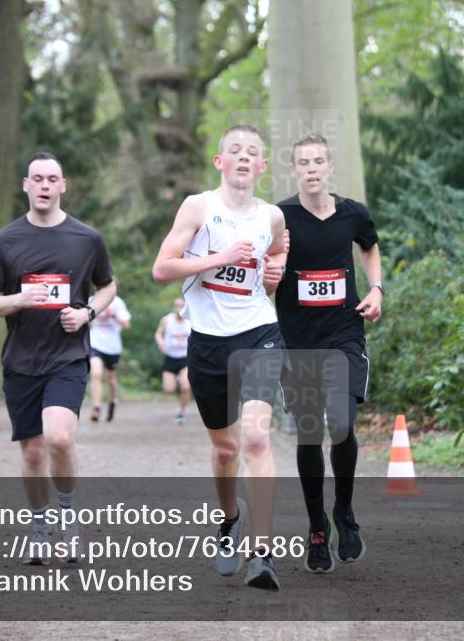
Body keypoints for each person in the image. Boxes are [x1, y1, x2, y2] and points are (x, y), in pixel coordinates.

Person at [152, 124, 287, 590]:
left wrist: (275, 273)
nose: (244, 157)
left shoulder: (272, 218)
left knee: (254, 438)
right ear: (220, 161)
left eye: (253, 152)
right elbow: (161, 268)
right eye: (236, 150)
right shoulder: (198, 207)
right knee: (226, 448)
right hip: (208, 342)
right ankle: (229, 520)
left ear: (263, 166)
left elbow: (274, 270)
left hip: (259, 333)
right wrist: (218, 257)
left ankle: (263, 554)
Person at [0, 151, 116, 564]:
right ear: (25, 185)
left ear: (62, 186)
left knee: (58, 437)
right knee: (33, 451)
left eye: (51, 179)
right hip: (20, 360)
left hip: (67, 358)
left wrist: (87, 312)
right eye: (36, 179)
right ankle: (40, 526)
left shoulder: (86, 238)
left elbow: (108, 286)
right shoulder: (5, 241)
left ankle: (68, 518)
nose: (44, 186)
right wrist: (19, 298)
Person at [275, 134, 383, 574]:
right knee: (307, 434)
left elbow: (369, 246)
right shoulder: (278, 216)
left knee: (340, 424)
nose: (312, 168)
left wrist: (376, 288)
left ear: (330, 166)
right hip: (296, 338)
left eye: (319, 160)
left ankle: (344, 511)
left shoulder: (353, 212)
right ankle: (317, 525)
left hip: (344, 334)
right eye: (304, 162)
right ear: (294, 169)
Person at [88, 294, 131, 422]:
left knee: (111, 379)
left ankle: (112, 403)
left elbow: (126, 325)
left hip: (112, 346)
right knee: (95, 374)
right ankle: (96, 408)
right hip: (95, 343)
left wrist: (112, 315)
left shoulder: (118, 302)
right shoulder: (91, 300)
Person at [154, 297, 192, 424]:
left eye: (181, 306)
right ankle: (178, 382)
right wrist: (161, 342)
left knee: (186, 386)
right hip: (170, 358)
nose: (179, 309)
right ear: (173, 307)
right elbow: (158, 333)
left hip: (185, 358)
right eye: (176, 306)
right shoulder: (166, 320)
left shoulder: (191, 320)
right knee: (168, 390)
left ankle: (181, 412)